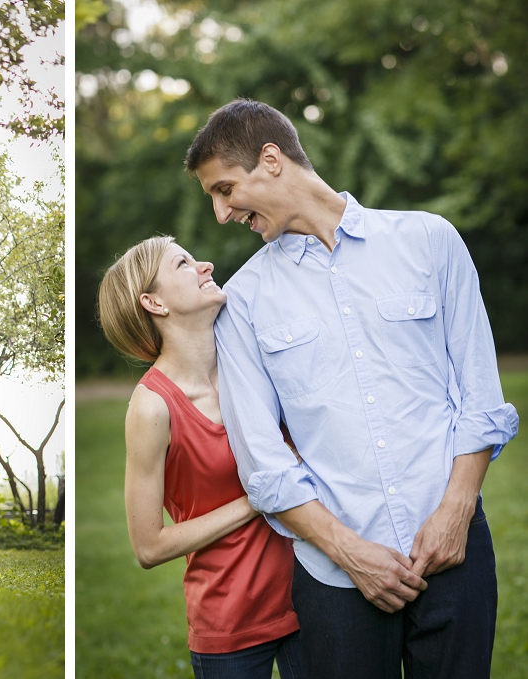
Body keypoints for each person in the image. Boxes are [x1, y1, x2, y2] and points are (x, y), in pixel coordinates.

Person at [184, 98, 519, 678]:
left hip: (455, 548)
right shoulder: (242, 302)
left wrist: (456, 510)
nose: (220, 213)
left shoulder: (429, 241)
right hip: (335, 577)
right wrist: (348, 551)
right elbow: (262, 461)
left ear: (271, 160)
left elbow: (480, 399)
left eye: (224, 188)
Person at [97, 236, 304, 679]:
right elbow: (148, 546)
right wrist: (258, 498)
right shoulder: (152, 407)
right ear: (153, 301)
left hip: (312, 595)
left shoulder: (250, 366)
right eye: (184, 263)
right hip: (230, 623)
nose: (206, 265)